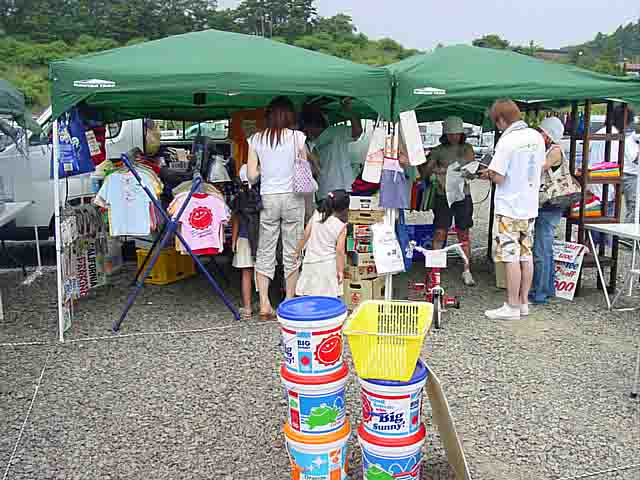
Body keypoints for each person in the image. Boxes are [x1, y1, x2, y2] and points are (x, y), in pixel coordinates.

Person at [480, 99, 545, 320]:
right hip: (530, 206)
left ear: (500, 120)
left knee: (510, 256)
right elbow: (539, 167)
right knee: (526, 255)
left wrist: (488, 173)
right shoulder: (536, 137)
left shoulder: (507, 141)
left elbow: (499, 176)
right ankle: (524, 302)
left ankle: (512, 306)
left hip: (509, 207)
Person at [247, 96, 307, 320]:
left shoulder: (256, 139)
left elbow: (251, 176)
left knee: (265, 249)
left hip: (269, 198)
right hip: (293, 197)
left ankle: (264, 303)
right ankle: (289, 300)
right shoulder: (298, 137)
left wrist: (265, 168)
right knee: (292, 249)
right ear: (290, 115)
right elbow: (305, 168)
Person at [418, 116, 476, 286]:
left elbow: (471, 169)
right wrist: (431, 167)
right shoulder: (438, 150)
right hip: (442, 196)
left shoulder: (467, 148)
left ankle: (467, 269)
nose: (454, 137)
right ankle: (435, 269)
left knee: (463, 232)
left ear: (461, 134)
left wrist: (443, 170)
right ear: (445, 134)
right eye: (450, 134)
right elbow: (425, 172)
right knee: (440, 231)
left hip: (462, 195)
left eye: (457, 134)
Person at [529, 117, 566, 305]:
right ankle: (547, 288)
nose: (539, 135)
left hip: (549, 205)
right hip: (550, 205)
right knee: (546, 250)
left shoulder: (555, 151)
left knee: (541, 251)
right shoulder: (552, 149)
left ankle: (540, 293)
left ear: (549, 134)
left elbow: (539, 168)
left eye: (542, 132)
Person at [301, 98, 363, 202]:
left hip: (341, 189)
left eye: (306, 128)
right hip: (324, 192)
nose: (306, 131)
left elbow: (358, 131)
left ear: (311, 126)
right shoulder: (311, 143)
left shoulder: (336, 132)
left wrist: (349, 110)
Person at [294, 190, 349, 297]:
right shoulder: (341, 226)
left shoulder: (317, 216)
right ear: (344, 209)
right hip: (327, 267)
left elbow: (306, 234)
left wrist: (297, 251)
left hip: (310, 263)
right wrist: (340, 270)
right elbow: (340, 251)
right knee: (327, 299)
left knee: (309, 297)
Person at [231, 165, 258, 320]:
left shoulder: (238, 199)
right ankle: (264, 302)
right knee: (263, 272)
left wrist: (233, 241)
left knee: (246, 274)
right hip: (261, 239)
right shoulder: (261, 196)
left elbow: (235, 221)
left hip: (243, 238)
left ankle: (247, 308)